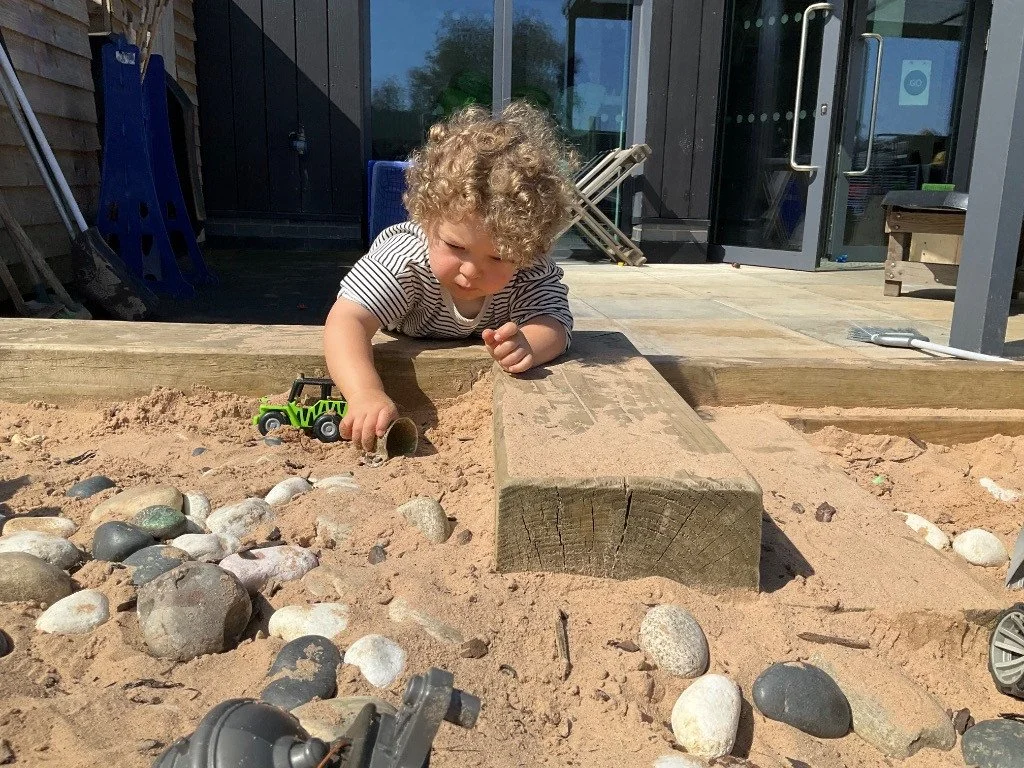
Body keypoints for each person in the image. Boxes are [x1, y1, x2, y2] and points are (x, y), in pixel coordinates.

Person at [324, 102, 578, 451]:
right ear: (426, 220)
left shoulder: (529, 267)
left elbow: (556, 321)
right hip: (406, 327)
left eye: (498, 256)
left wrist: (530, 344)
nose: (471, 269)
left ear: (528, 251)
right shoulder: (405, 259)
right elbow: (347, 319)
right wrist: (364, 391)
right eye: (455, 247)